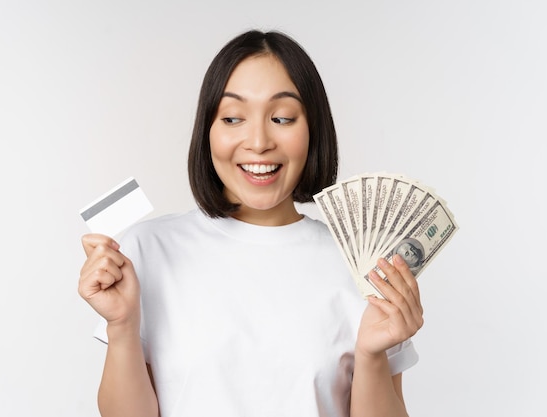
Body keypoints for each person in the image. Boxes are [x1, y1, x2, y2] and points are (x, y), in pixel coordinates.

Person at [79, 29, 424, 417]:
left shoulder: (364, 266)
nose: (258, 141)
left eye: (282, 118)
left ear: (313, 130)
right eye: (232, 117)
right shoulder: (150, 247)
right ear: (207, 131)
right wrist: (123, 326)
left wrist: (372, 356)